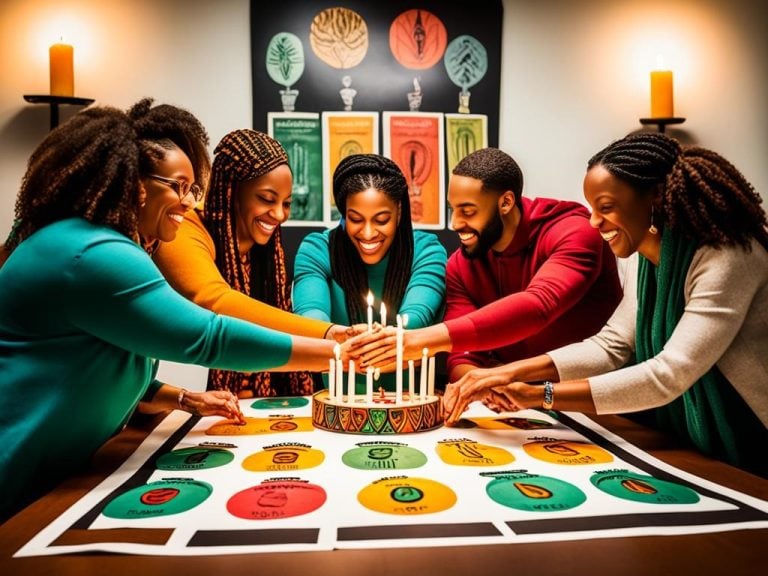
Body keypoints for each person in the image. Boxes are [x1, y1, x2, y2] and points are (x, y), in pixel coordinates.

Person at [0, 100, 347, 522]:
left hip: (55, 480)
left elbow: (104, 362)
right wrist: (339, 351)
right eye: (179, 186)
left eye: (193, 189)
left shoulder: (97, 245)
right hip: (14, 481)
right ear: (135, 184)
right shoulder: (92, 252)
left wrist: (181, 398)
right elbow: (208, 336)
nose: (188, 202)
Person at [442, 133, 768, 477]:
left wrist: (541, 395)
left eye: (606, 208)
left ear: (654, 199)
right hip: (694, 440)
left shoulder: (729, 256)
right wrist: (509, 372)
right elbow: (611, 345)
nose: (594, 222)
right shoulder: (644, 257)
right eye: (593, 209)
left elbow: (668, 374)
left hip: (753, 441)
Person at [353, 147, 622, 385]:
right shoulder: (460, 265)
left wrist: (418, 340)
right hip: (521, 407)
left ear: (505, 202)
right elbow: (463, 356)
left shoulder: (574, 231)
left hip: (598, 405)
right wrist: (481, 384)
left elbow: (539, 304)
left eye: (468, 211)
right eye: (453, 210)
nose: (456, 223)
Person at [153, 129, 353, 398]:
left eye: (287, 203)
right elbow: (216, 301)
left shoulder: (265, 246)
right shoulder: (185, 226)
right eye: (267, 199)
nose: (280, 214)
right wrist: (330, 334)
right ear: (233, 191)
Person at [292, 153, 447, 392]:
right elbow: (310, 319)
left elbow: (417, 316)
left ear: (399, 210)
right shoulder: (317, 250)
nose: (367, 233)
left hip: (409, 410)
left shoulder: (427, 251)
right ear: (344, 212)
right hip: (338, 411)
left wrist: (359, 343)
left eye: (381, 220)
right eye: (355, 219)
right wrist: (340, 334)